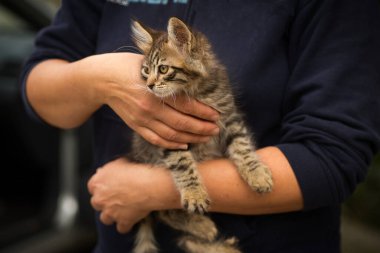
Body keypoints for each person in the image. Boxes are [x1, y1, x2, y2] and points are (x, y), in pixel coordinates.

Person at [20, 0, 380, 252]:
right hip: (120, 240)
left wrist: (155, 189)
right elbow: (39, 88)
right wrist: (99, 79)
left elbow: (333, 156)